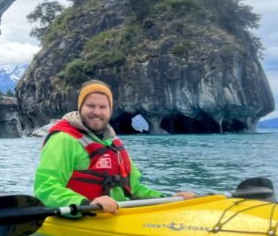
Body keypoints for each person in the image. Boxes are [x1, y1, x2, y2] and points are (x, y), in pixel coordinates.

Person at [34, 79, 195, 213]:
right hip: (83, 216)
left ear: (110, 110)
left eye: (103, 107)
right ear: (80, 107)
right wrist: (87, 203)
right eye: (91, 106)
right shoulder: (63, 139)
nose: (97, 112)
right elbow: (46, 188)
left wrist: (171, 200)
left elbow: (135, 189)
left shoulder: (113, 143)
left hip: (118, 215)